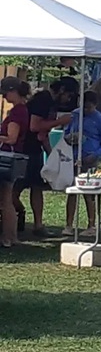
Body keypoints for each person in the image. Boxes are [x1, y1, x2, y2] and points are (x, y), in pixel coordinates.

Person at [15, 78, 76, 237]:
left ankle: (38, 224)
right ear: (61, 90)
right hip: (25, 148)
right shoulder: (43, 100)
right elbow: (34, 126)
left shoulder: (51, 103)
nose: (68, 100)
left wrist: (51, 154)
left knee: (37, 186)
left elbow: (43, 134)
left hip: (36, 148)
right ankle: (17, 213)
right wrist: (59, 122)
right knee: (16, 188)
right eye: (68, 95)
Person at [63, 91, 101, 237]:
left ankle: (91, 225)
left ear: (95, 106)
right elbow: (66, 131)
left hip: (90, 158)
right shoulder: (75, 115)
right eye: (83, 107)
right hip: (74, 157)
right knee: (72, 191)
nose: (85, 110)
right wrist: (69, 137)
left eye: (89, 108)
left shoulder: (100, 120)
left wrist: (96, 154)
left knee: (89, 193)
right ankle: (68, 224)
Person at [0, 77, 30, 247]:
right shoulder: (21, 109)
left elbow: (11, 138)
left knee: (5, 199)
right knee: (6, 199)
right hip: (13, 157)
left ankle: (8, 237)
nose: (4, 97)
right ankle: (10, 236)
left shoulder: (18, 111)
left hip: (8, 157)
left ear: (13, 91)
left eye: (5, 93)